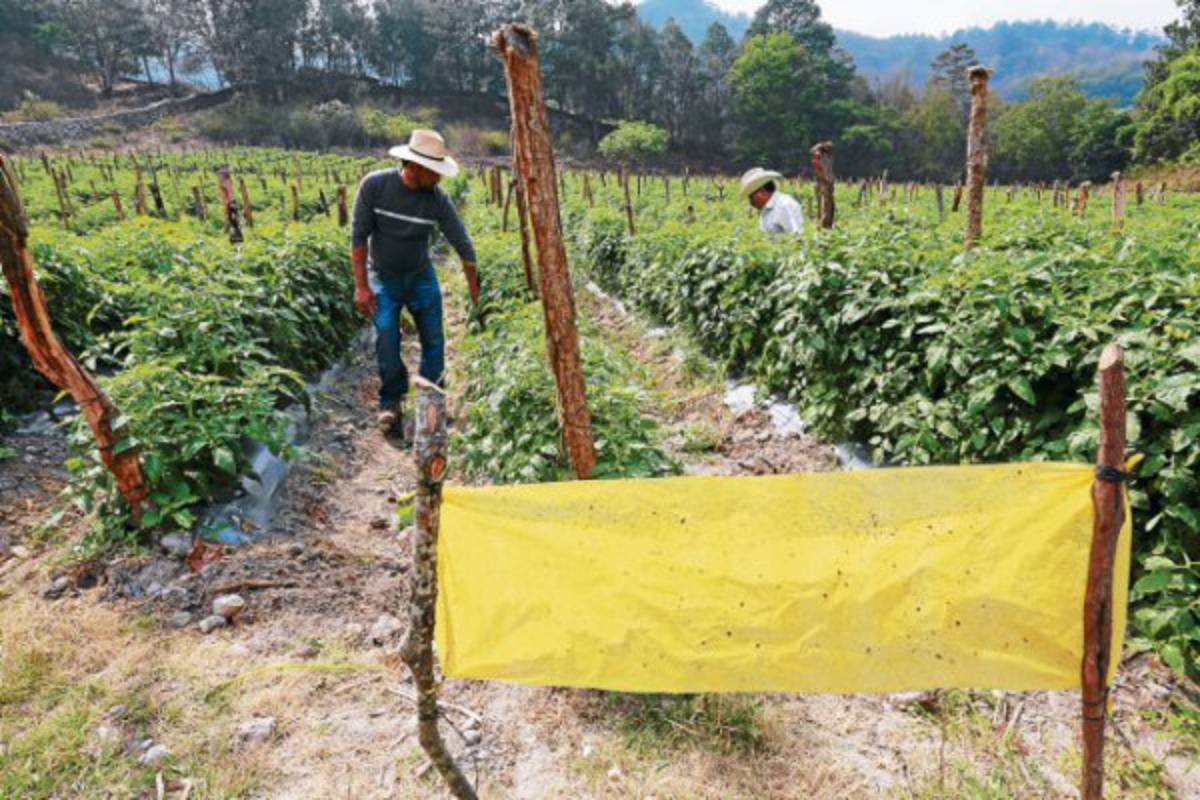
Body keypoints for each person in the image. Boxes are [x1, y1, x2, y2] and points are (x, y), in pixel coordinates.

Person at [350, 128, 480, 434]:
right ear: (416, 167)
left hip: (420, 274)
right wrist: (361, 286)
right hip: (383, 276)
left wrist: (474, 287)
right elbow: (358, 238)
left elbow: (462, 242)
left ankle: (431, 404)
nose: (439, 178)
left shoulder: (437, 199)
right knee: (386, 337)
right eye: (434, 171)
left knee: (434, 338)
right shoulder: (375, 186)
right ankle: (391, 401)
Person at [739, 167, 804, 234]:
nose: (751, 202)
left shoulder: (784, 205)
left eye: (751, 197)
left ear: (762, 191)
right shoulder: (766, 210)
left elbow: (797, 236)